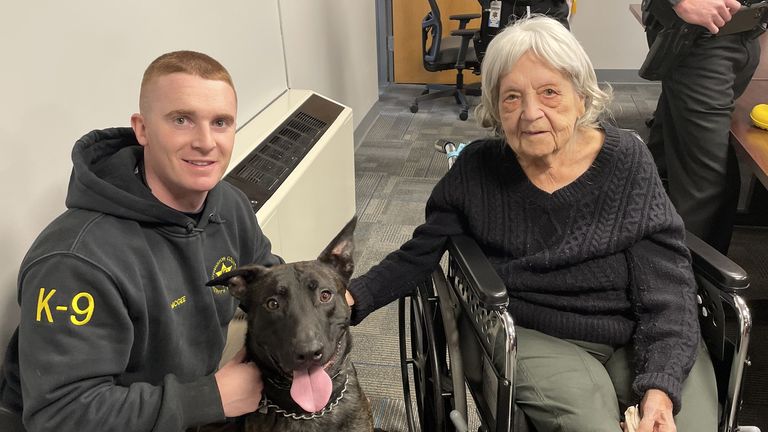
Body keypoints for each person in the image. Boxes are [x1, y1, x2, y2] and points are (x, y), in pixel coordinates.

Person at [348, 16, 717, 432]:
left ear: (582, 97)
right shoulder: (477, 172)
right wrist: (348, 299)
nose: (530, 113)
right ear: (494, 108)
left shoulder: (628, 162)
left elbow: (667, 285)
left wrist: (660, 387)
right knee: (592, 424)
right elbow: (419, 255)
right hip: (533, 333)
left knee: (686, 423)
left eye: (549, 92)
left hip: (631, 328)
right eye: (511, 98)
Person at [0, 51, 282, 431]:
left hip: (184, 404)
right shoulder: (74, 261)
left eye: (220, 122)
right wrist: (211, 398)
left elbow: (267, 275)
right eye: (181, 120)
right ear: (142, 128)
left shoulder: (227, 203)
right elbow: (60, 415)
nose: (205, 142)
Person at [643, 0, 764, 254]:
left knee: (668, 155)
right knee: (709, 188)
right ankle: (682, 285)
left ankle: (644, 259)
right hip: (702, 35)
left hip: (744, 31)